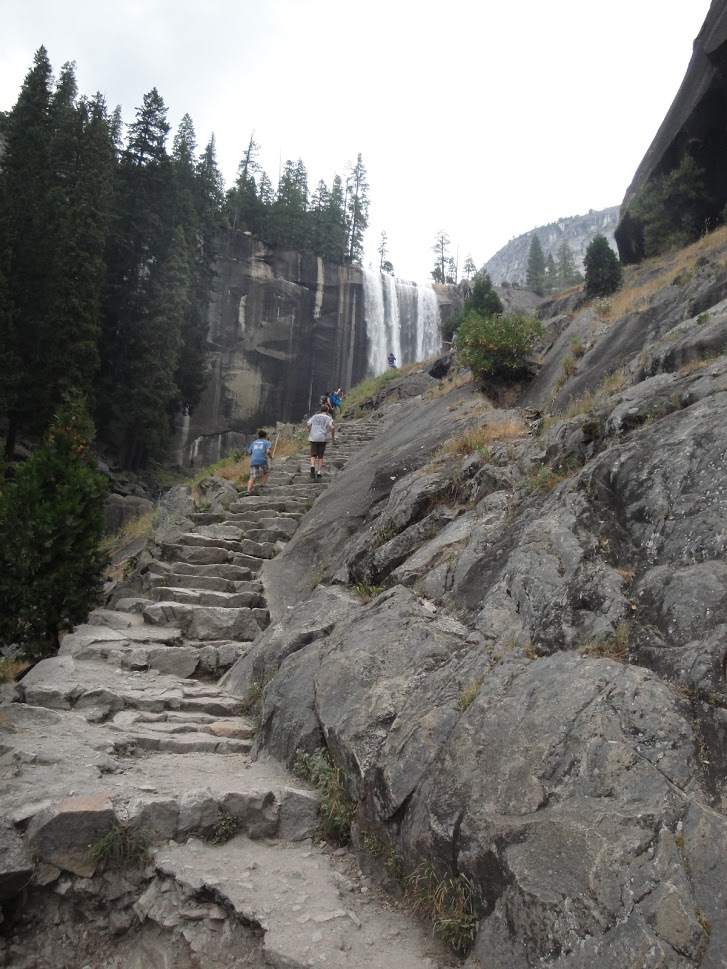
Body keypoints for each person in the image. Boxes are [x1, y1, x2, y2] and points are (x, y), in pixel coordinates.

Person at [306, 403, 335, 479]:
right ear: (327, 411)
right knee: (320, 456)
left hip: (313, 437)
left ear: (320, 410)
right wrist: (333, 437)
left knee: (313, 454)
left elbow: (308, 424)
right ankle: (319, 471)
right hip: (322, 438)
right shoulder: (329, 418)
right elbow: (332, 427)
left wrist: (310, 432)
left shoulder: (315, 416)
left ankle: (312, 465)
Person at [246, 429, 273, 495]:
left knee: (252, 477)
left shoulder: (254, 442)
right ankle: (263, 485)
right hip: (262, 460)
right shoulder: (267, 442)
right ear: (265, 435)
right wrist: (271, 458)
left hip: (253, 460)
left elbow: (249, 452)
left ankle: (248, 491)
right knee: (266, 472)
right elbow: (268, 452)